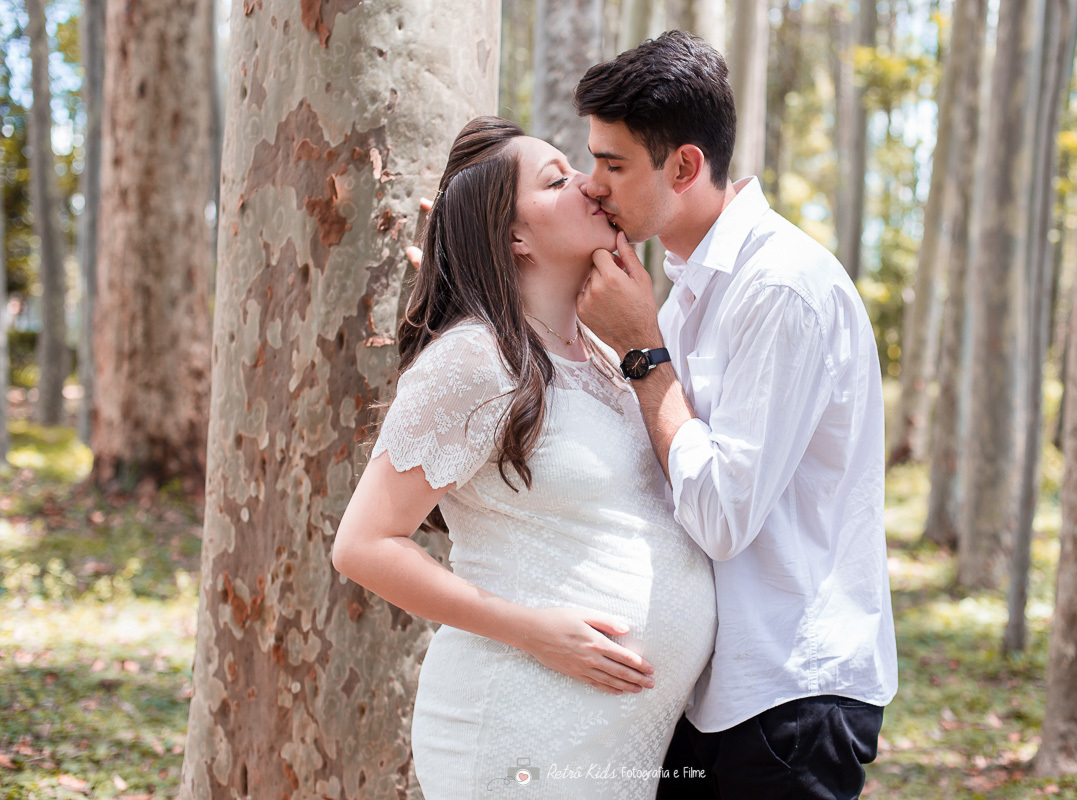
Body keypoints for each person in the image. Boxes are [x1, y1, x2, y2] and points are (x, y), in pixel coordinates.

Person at [331, 116, 716, 799]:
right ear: (513, 235)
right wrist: (535, 633)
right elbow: (363, 544)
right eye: (557, 180)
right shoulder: (475, 358)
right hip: (518, 722)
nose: (591, 185)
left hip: (614, 742)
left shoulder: (602, 354)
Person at [572, 31, 899, 800]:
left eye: (612, 164)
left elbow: (721, 515)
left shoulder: (779, 288)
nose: (592, 186)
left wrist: (645, 353)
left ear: (683, 166)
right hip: (710, 694)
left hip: (787, 694)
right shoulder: (688, 286)